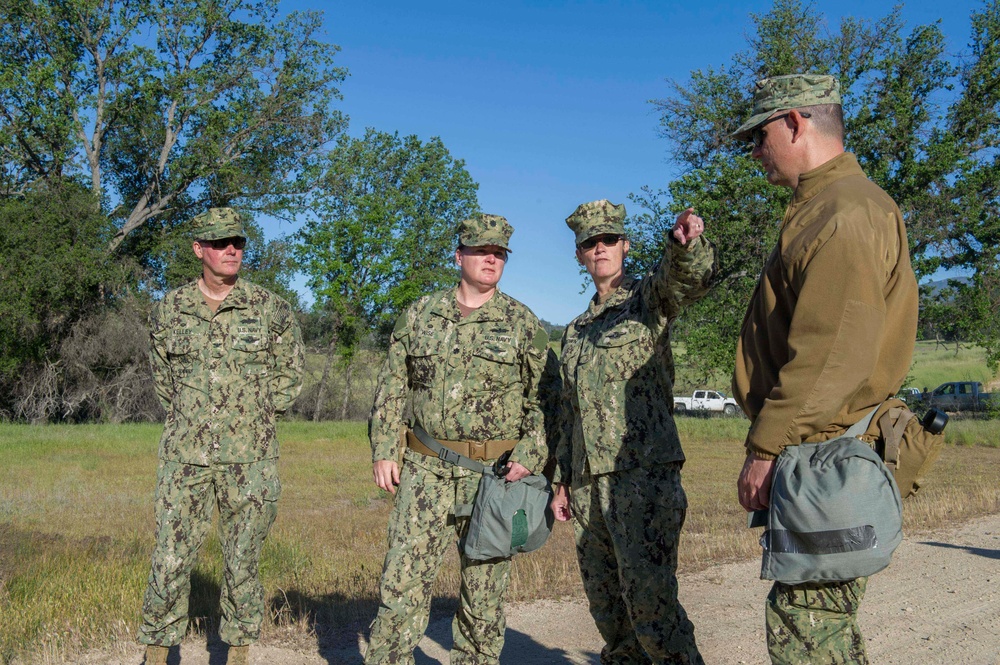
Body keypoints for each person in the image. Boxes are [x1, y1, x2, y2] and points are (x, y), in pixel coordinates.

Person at [731, 74, 919, 664]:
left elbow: (829, 355)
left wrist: (764, 449)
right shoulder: (824, 205)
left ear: (794, 122)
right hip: (817, 452)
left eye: (757, 137)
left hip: (827, 450)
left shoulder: (843, 211)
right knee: (820, 626)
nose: (755, 153)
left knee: (805, 630)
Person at [365, 214, 554, 665]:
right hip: (425, 469)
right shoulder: (420, 315)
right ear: (459, 256)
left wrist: (531, 454)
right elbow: (392, 387)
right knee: (402, 583)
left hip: (494, 477)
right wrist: (385, 451)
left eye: (500, 253)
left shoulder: (522, 323)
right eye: (482, 250)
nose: (492, 258)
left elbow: (546, 400)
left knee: (484, 596)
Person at [550, 199, 717, 664]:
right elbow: (569, 412)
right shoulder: (576, 331)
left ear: (625, 245)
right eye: (590, 242)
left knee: (653, 613)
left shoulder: (648, 298)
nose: (599, 248)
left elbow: (686, 277)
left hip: (642, 480)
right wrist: (563, 481)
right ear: (580, 255)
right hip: (588, 488)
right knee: (610, 615)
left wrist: (686, 245)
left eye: (608, 239)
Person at [139, 207, 304, 665]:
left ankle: (237, 654)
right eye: (219, 242)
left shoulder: (270, 309)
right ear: (199, 249)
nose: (231, 250)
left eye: (238, 242)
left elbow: (289, 377)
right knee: (170, 558)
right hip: (185, 457)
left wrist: (250, 418)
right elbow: (164, 382)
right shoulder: (169, 309)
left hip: (250, 459)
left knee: (242, 562)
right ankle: (157, 653)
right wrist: (197, 422)